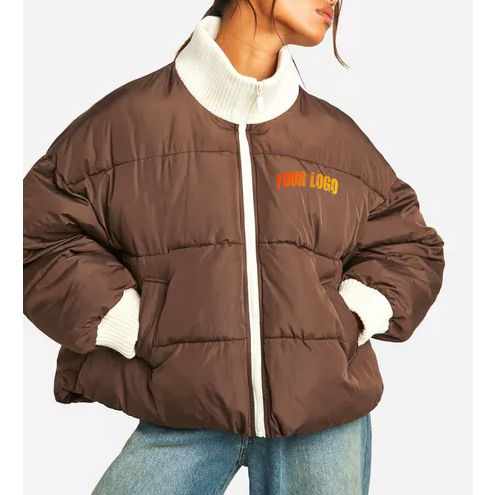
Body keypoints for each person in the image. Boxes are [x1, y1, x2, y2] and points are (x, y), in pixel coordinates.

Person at [23, 1, 445, 493]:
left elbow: (409, 246)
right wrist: (130, 322)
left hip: (323, 416)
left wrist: (347, 319)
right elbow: (36, 233)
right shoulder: (127, 124)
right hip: (181, 409)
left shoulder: (336, 141)